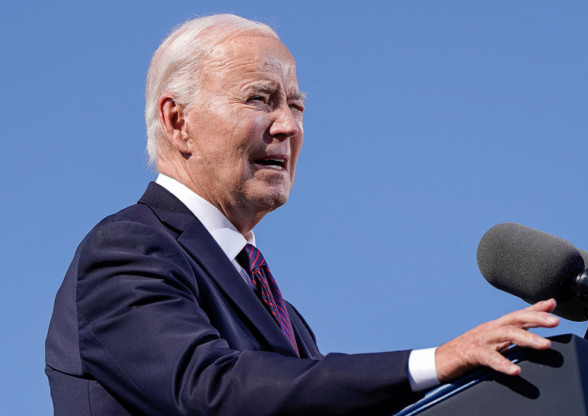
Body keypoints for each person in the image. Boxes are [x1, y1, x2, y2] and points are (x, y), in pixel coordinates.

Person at [45, 14, 560, 415]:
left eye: (296, 105)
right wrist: (433, 362)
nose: (288, 126)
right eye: (260, 100)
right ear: (178, 121)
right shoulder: (129, 247)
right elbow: (210, 390)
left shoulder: (287, 317)